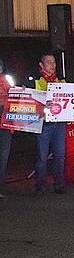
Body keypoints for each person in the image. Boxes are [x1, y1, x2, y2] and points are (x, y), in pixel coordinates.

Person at [27, 54, 68, 195]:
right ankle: (40, 185)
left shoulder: (61, 80)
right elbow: (29, 100)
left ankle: (59, 184)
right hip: (43, 124)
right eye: (49, 62)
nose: (52, 65)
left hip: (59, 123)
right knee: (41, 156)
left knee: (59, 155)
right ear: (41, 65)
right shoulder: (35, 82)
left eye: (54, 62)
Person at [0, 57, 12, 198]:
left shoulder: (7, 80)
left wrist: (21, 92)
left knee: (3, 157)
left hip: (5, 123)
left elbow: (15, 95)